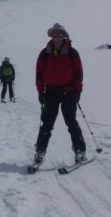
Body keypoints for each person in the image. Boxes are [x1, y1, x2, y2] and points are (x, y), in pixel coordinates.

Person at [33, 23, 86, 165]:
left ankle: (80, 151)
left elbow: (78, 73)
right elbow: (39, 74)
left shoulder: (72, 53)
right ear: (51, 36)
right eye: (54, 34)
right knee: (47, 124)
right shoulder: (45, 54)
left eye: (60, 34)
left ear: (64, 36)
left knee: (71, 122)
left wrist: (77, 91)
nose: (57, 37)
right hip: (50, 92)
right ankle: (40, 151)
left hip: (68, 92)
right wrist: (40, 92)